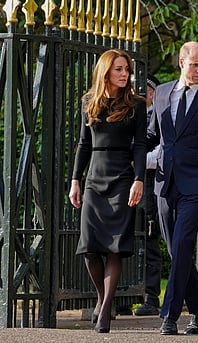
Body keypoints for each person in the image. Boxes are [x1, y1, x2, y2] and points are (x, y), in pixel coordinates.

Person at [146, 41, 198, 335]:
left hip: (196, 182)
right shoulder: (161, 93)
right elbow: (152, 135)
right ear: (181, 63)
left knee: (183, 244)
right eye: (194, 65)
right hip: (164, 182)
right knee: (176, 250)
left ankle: (169, 315)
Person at [69, 49, 147, 333]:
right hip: (94, 179)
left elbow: (140, 145)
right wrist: (75, 180)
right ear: (105, 72)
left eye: (126, 69)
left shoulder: (136, 105)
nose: (124, 74)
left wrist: (139, 179)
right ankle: (103, 301)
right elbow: (84, 144)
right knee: (90, 248)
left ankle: (104, 312)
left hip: (123, 180)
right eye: (119, 69)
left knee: (115, 247)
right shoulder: (89, 102)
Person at [134, 74, 163, 316]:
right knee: (127, 236)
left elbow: (159, 153)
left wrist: (135, 162)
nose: (141, 93)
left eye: (145, 89)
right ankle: (124, 295)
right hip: (129, 180)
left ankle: (151, 296)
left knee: (150, 236)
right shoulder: (130, 114)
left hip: (151, 182)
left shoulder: (160, 115)